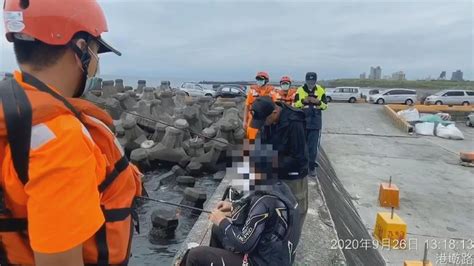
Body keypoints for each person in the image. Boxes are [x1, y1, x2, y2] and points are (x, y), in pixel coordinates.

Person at [0, 0, 142, 265]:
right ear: (81, 49)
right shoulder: (60, 139)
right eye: (97, 50)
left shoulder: (13, 110)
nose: (97, 63)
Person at [180, 142, 301, 266]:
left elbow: (244, 244)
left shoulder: (264, 201)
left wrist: (222, 221)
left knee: (195, 255)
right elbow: (267, 220)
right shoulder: (280, 189)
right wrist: (234, 208)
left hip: (260, 262)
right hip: (277, 258)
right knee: (218, 230)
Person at [249, 96, 309, 226]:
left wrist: (270, 162)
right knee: (276, 210)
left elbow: (299, 159)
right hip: (275, 173)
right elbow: (262, 142)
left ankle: (292, 238)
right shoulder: (267, 120)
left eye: (265, 120)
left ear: (275, 112)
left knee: (295, 210)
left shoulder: (294, 122)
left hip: (293, 176)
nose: (263, 124)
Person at [294, 72, 328, 177]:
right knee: (301, 146)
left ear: (315, 81)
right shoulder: (300, 90)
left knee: (313, 147)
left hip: (315, 123)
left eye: (312, 81)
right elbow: (295, 104)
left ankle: (311, 167)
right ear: (306, 81)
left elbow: (325, 106)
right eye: (309, 81)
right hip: (303, 122)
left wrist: (318, 102)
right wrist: (304, 101)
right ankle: (301, 166)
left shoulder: (321, 90)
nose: (310, 83)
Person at [244, 71, 277, 140]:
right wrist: (245, 121)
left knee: (267, 139)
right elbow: (247, 106)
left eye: (261, 79)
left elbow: (275, 107)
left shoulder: (272, 92)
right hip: (253, 119)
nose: (259, 81)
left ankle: (265, 149)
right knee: (250, 138)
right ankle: (247, 150)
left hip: (267, 119)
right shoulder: (252, 91)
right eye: (258, 79)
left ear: (266, 80)